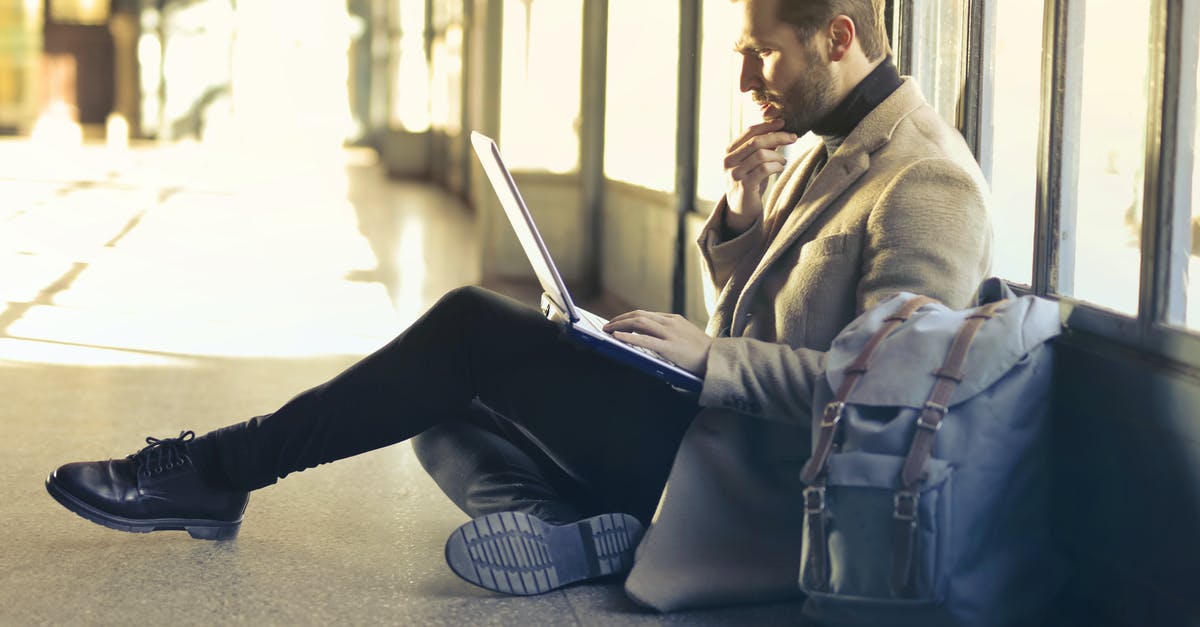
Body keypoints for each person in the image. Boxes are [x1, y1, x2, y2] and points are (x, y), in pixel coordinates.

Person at [45, 0, 991, 609]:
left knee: (467, 327)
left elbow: (890, 404)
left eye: (764, 55)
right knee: (435, 410)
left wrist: (705, 359)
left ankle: (219, 468)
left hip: (761, 479)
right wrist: (743, 218)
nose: (747, 81)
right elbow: (771, 314)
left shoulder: (925, 182)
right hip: (707, 426)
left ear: (838, 39)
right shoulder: (825, 136)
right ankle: (576, 532)